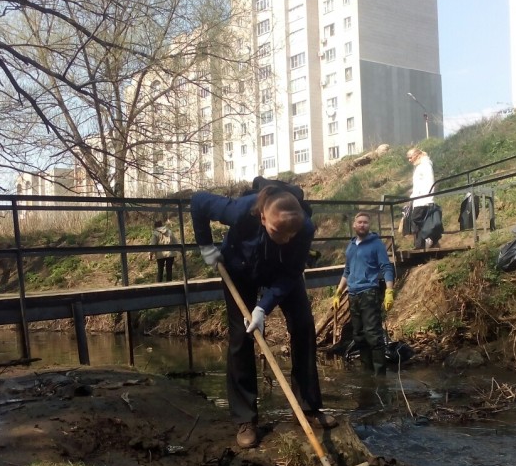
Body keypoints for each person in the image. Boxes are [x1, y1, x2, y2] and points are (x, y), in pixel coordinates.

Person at [191, 185, 337, 449]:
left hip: (282, 273)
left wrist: (263, 307)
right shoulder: (240, 211)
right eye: (277, 232)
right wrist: (205, 245)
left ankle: (308, 407)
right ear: (262, 218)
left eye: (290, 234)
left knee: (303, 327)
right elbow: (199, 202)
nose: (285, 239)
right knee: (241, 337)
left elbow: (292, 273)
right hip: (240, 269)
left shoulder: (304, 229)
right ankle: (245, 419)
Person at [331, 211, 395, 376]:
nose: (362, 225)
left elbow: (387, 267)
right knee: (359, 336)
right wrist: (338, 292)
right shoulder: (351, 246)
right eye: (359, 222)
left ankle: (380, 376)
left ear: (369, 225)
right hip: (353, 294)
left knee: (373, 334)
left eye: (365, 222)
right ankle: (368, 374)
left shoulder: (376, 244)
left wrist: (389, 290)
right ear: (354, 225)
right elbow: (347, 271)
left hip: (369, 292)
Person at [406, 147, 436, 249]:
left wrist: (428, 197)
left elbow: (430, 182)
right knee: (416, 221)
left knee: (416, 219)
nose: (409, 160)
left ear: (416, 155)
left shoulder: (425, 165)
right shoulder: (419, 166)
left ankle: (428, 238)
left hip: (424, 199)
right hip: (418, 198)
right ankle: (420, 244)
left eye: (410, 157)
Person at [150, 218, 178, 282]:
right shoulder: (169, 231)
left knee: (160, 270)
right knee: (169, 270)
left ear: (155, 226)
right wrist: (180, 250)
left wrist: (150, 254)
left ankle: (159, 285)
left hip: (160, 254)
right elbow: (175, 242)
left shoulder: (155, 233)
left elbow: (153, 245)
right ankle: (169, 284)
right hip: (170, 253)